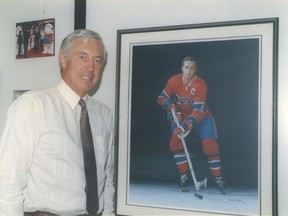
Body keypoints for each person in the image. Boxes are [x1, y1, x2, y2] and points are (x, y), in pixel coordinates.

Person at [0, 29, 115, 215]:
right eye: (82, 57)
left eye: (97, 60)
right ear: (63, 60)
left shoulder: (104, 114)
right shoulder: (33, 105)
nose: (91, 68)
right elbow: (7, 183)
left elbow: (107, 181)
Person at [157, 56, 225, 194]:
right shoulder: (174, 80)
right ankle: (184, 176)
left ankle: (218, 178)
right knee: (175, 142)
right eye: (186, 67)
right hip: (180, 116)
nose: (188, 71)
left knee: (210, 145)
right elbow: (161, 97)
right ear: (182, 68)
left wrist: (186, 125)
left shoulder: (200, 84)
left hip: (202, 116)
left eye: (192, 68)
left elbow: (198, 110)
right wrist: (170, 107)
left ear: (196, 69)